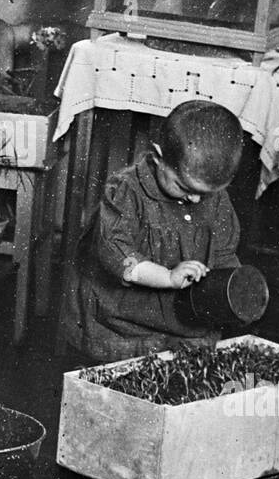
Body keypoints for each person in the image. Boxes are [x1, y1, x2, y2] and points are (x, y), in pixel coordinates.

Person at [67, 100, 246, 363]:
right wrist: (167, 277)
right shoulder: (127, 191)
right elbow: (116, 254)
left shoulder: (216, 201)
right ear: (157, 157)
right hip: (124, 326)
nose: (196, 200)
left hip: (186, 327)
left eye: (205, 193)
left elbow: (224, 253)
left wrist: (234, 288)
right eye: (184, 187)